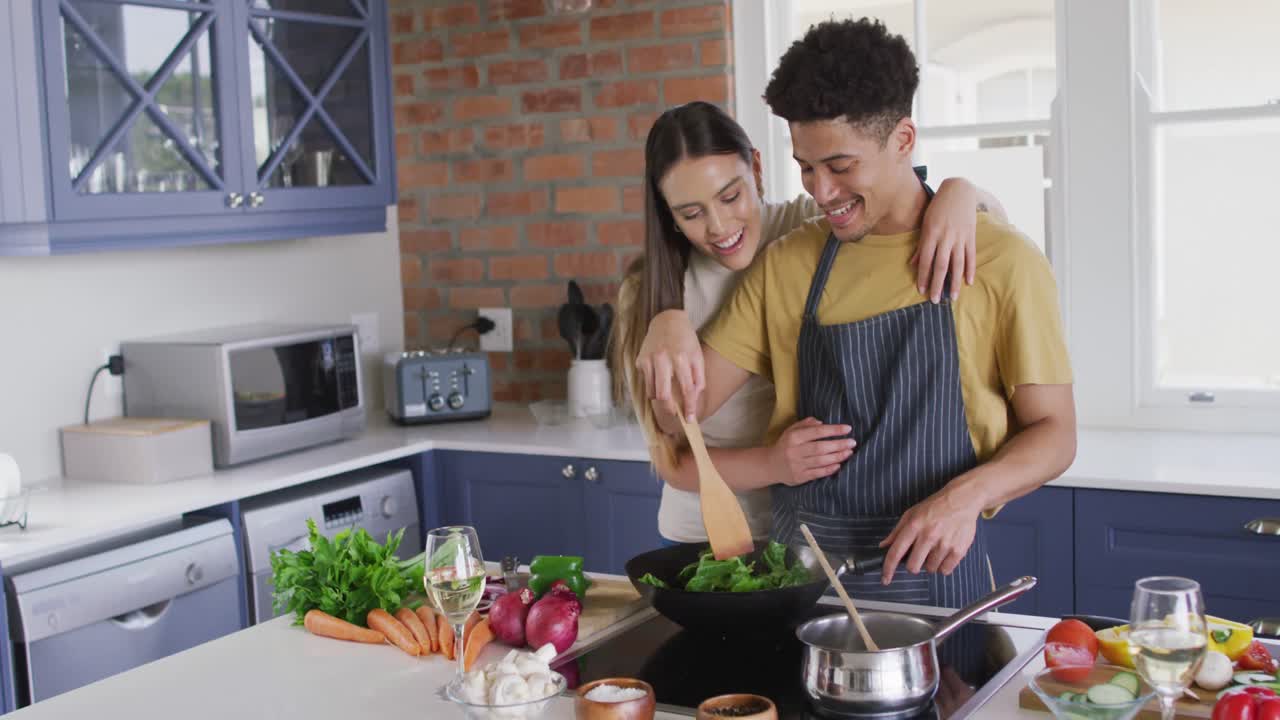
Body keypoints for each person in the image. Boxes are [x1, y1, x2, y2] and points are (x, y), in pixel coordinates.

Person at [637, 19, 1077, 608]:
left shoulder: (1002, 260)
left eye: (840, 166)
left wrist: (964, 498)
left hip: (939, 588)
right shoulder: (787, 264)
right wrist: (663, 318)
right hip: (801, 596)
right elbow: (676, 422)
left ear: (902, 139)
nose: (820, 192)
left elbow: (1056, 433)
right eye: (806, 167)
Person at [612, 100, 1011, 548]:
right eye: (691, 213)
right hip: (705, 535)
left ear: (757, 169)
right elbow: (670, 458)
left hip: (814, 530)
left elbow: (985, 216)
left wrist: (958, 193)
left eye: (731, 196)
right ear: (667, 212)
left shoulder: (812, 227)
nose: (720, 226)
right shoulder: (645, 295)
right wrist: (773, 465)